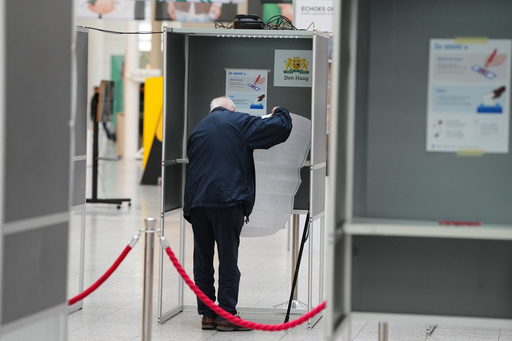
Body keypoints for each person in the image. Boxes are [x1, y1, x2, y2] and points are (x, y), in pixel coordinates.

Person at [183, 97, 292, 331]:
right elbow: (280, 129)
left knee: (202, 260)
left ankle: (207, 315)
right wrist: (280, 111)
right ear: (231, 109)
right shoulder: (237, 120)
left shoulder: (199, 127)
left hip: (197, 203)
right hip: (227, 200)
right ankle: (227, 316)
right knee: (228, 259)